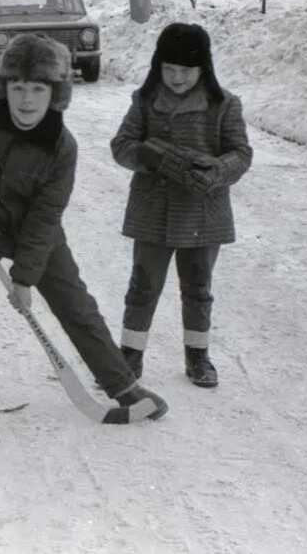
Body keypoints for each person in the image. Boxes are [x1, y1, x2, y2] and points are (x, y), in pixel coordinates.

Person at [0, 34, 168, 450]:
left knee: (76, 305)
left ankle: (123, 387)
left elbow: (46, 218)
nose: (27, 101)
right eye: (18, 88)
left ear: (55, 93)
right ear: (4, 87)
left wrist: (24, 277)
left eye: (39, 89)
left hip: (35, 233)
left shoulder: (61, 148)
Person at [110, 23, 253, 388]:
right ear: (158, 66)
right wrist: (151, 156)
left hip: (203, 212)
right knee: (143, 285)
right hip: (152, 210)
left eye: (186, 70)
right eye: (169, 69)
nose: (176, 78)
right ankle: (130, 355)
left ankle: (198, 356)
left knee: (198, 287)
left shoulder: (224, 105)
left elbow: (241, 153)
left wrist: (219, 170)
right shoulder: (145, 101)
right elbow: (121, 145)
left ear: (203, 68)